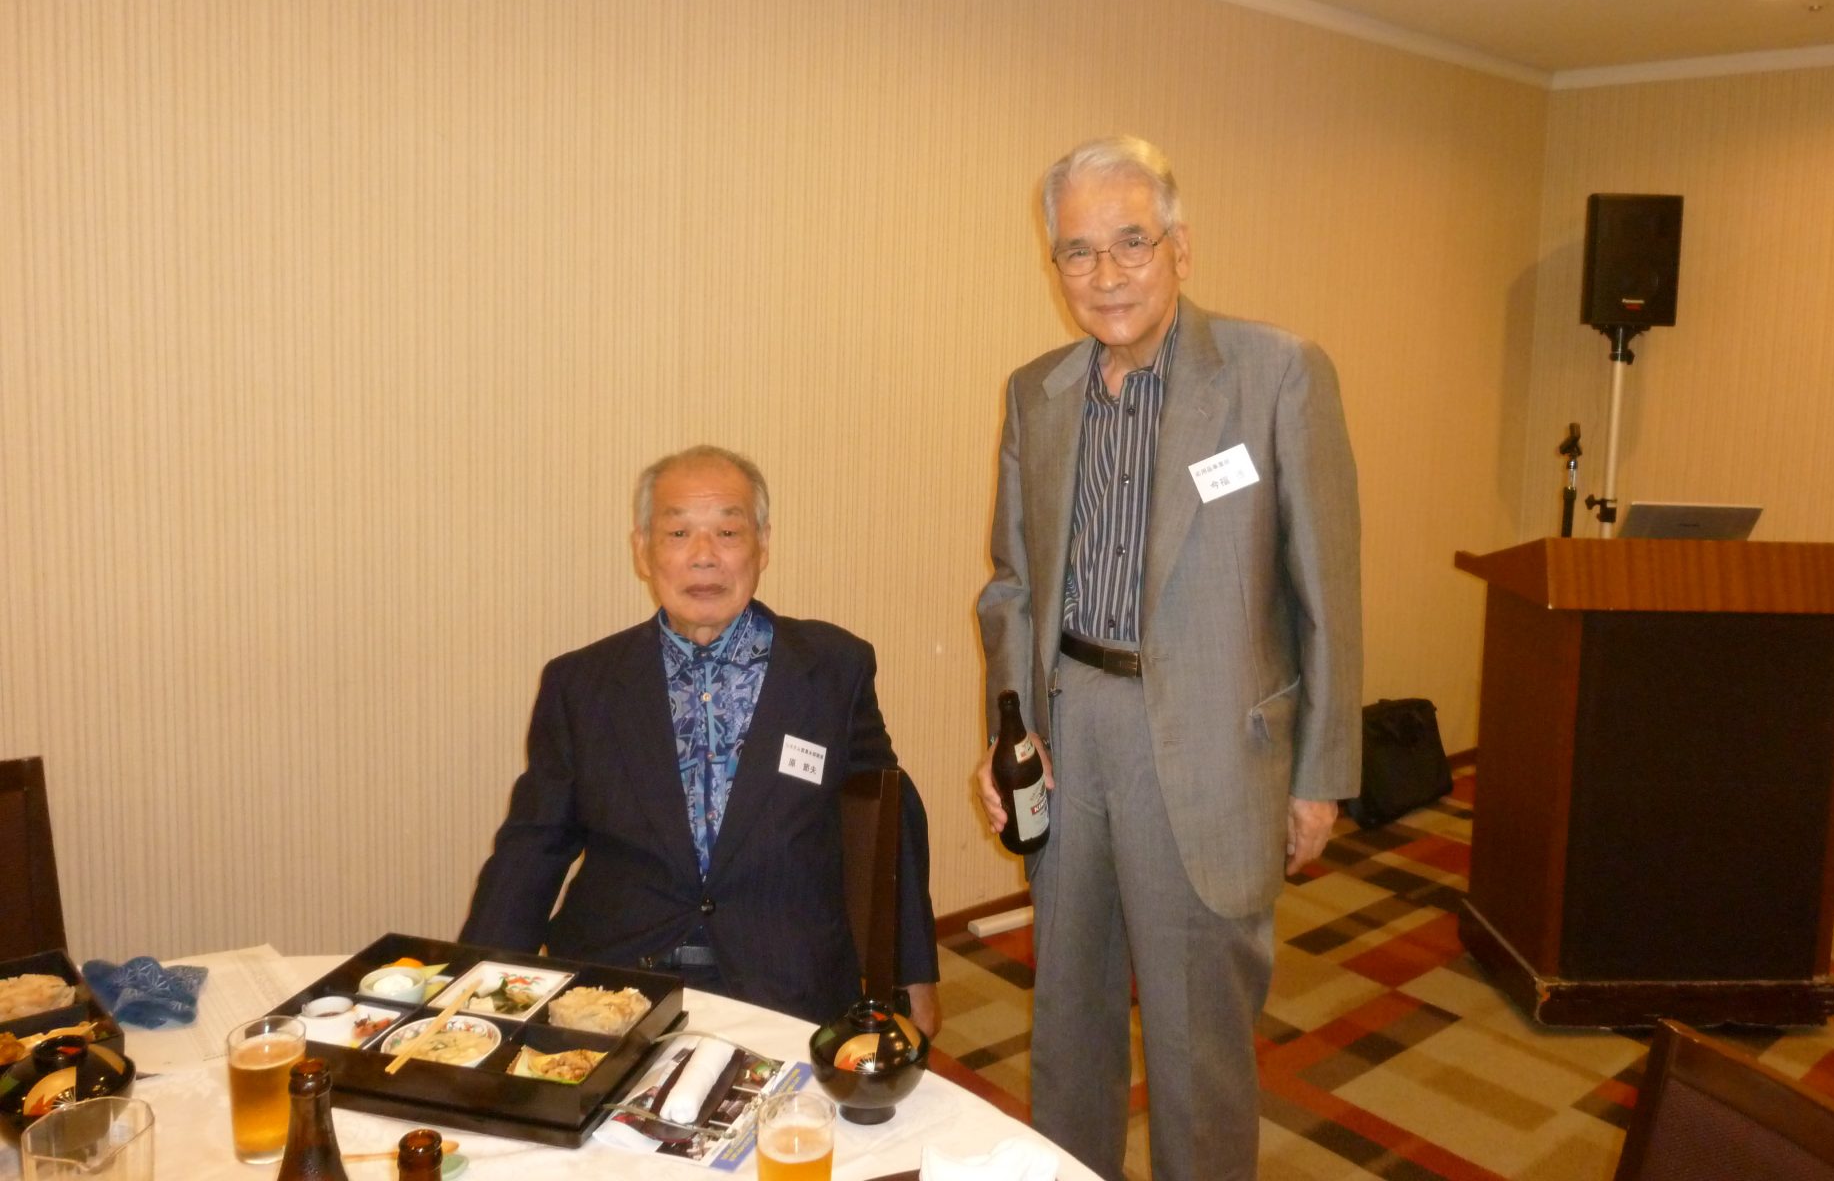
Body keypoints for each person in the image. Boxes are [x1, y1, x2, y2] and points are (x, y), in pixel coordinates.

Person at [974, 137, 1361, 1180]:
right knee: (1069, 1027)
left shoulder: (1275, 374)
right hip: (1073, 736)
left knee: (1199, 1052)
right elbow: (1012, 586)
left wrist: (1320, 775)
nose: (1105, 274)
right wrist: (1012, 737)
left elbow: (1328, 589)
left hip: (1209, 749)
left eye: (1131, 243)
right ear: (1054, 264)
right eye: (1078, 251)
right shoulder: (1037, 393)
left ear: (1180, 248)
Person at [463, 445, 940, 1033]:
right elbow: (533, 844)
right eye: (678, 532)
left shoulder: (833, 668)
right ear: (643, 549)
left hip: (787, 980)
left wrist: (912, 978)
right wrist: (476, 981)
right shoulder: (581, 684)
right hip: (615, 984)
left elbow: (888, 817)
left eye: (728, 532)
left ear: (763, 544)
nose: (704, 556)